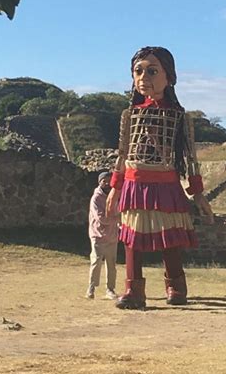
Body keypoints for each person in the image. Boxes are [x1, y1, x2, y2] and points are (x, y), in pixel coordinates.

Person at [106, 46, 213, 309]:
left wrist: (197, 193)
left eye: (152, 71)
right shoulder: (129, 115)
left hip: (166, 183)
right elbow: (122, 154)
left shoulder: (179, 117)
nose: (144, 77)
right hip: (134, 182)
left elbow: (190, 158)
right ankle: (133, 289)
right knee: (132, 239)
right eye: (138, 71)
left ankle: (175, 286)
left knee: (170, 238)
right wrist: (114, 188)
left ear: (169, 76)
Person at [86, 171, 120, 300]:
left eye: (108, 181)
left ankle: (110, 289)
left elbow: (118, 211)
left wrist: (119, 222)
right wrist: (118, 218)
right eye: (103, 181)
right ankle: (91, 288)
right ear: (99, 182)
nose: (106, 183)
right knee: (96, 261)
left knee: (111, 264)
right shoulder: (96, 198)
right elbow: (102, 219)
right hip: (97, 235)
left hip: (112, 235)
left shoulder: (114, 195)